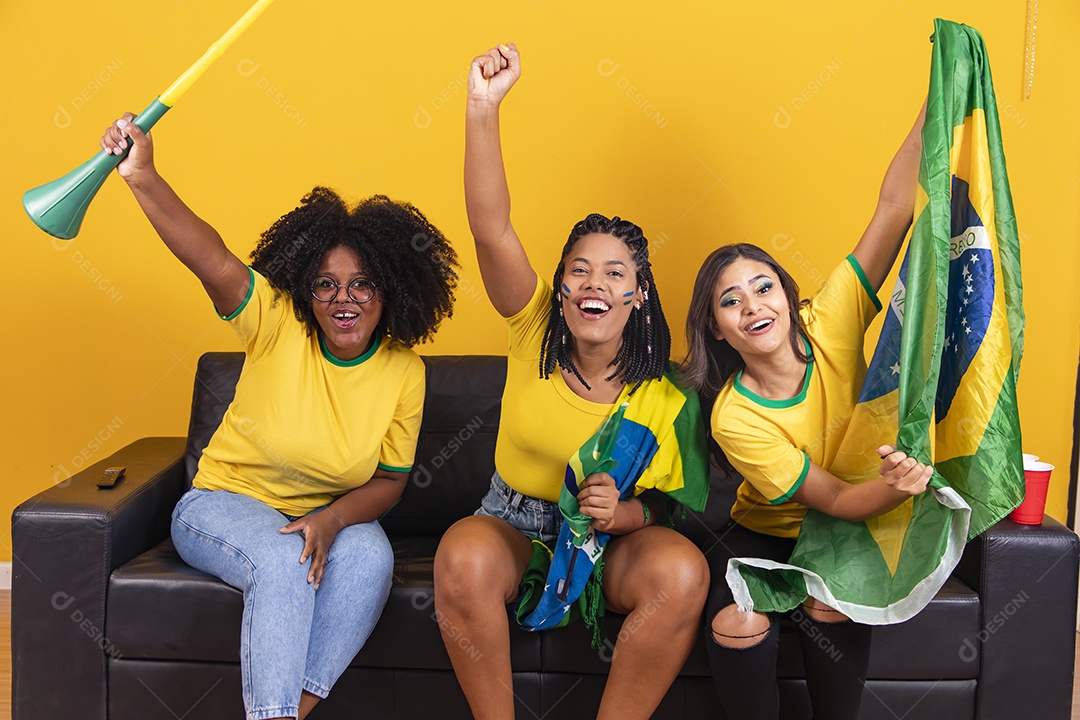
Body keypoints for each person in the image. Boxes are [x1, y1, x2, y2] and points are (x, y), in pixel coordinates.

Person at [100, 112, 458, 720]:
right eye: (326, 285)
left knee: (372, 555)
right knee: (284, 561)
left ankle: (289, 711)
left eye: (363, 285)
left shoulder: (404, 371)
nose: (344, 300)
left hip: (324, 512)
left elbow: (391, 481)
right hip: (223, 504)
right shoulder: (274, 321)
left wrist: (331, 520)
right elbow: (207, 255)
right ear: (303, 289)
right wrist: (143, 176)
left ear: (392, 289)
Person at [432, 43, 710, 720]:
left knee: (682, 571)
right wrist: (481, 107)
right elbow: (490, 227)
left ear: (638, 296)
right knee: (460, 555)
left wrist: (628, 514)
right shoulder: (530, 331)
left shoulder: (666, 396)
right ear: (559, 290)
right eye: (579, 269)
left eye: (616, 273)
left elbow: (687, 508)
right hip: (513, 526)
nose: (595, 282)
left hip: (609, 541)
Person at [680, 101, 930, 720]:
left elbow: (895, 209)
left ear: (789, 296)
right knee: (737, 622)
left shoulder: (834, 321)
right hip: (769, 532)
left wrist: (934, 101)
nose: (752, 307)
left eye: (763, 288)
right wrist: (896, 489)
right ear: (716, 329)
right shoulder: (733, 416)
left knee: (832, 605)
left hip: (850, 529)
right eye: (730, 302)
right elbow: (839, 498)